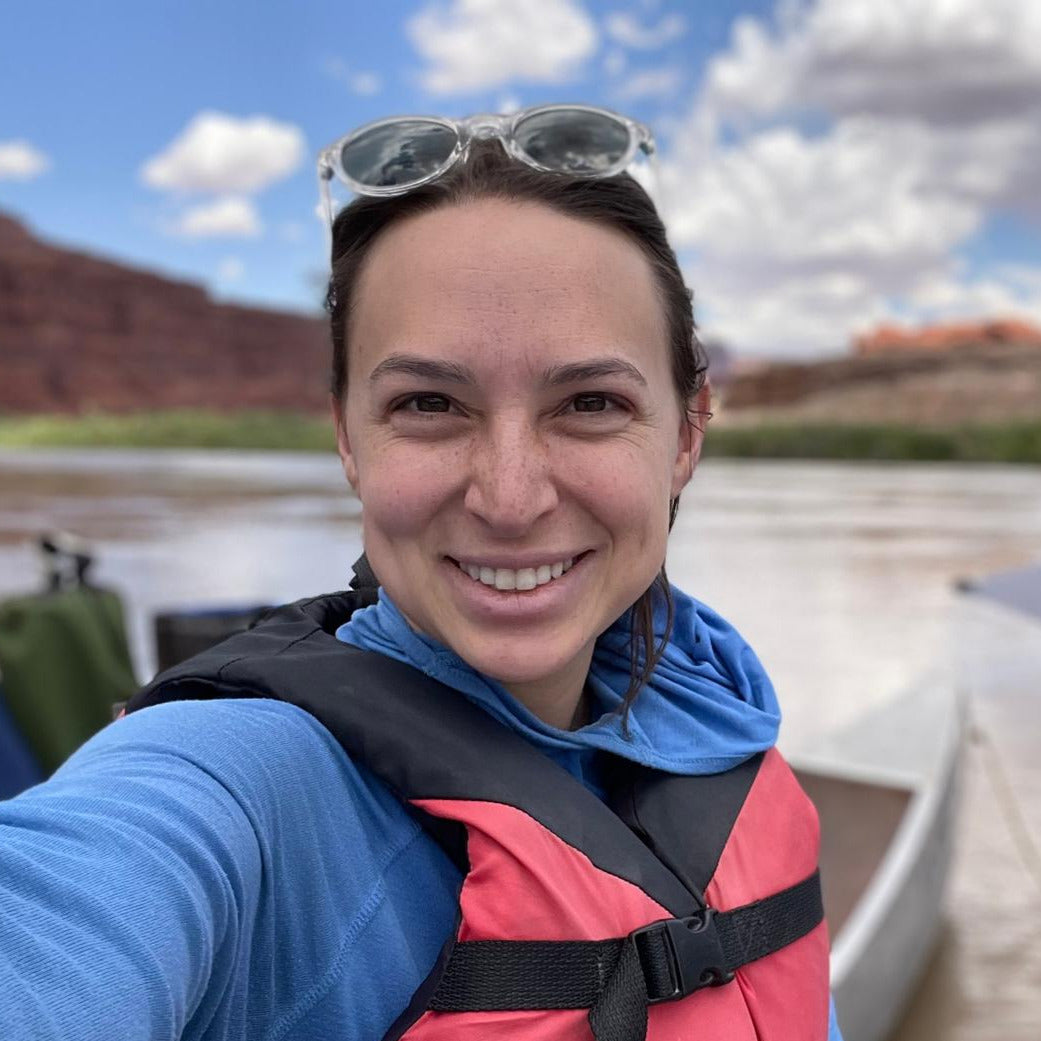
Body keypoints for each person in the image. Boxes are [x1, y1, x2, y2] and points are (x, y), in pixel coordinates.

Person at [0, 105, 844, 1040]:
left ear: (685, 434)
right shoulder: (234, 786)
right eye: (430, 403)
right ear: (347, 437)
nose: (510, 498)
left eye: (591, 402)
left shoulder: (714, 711)